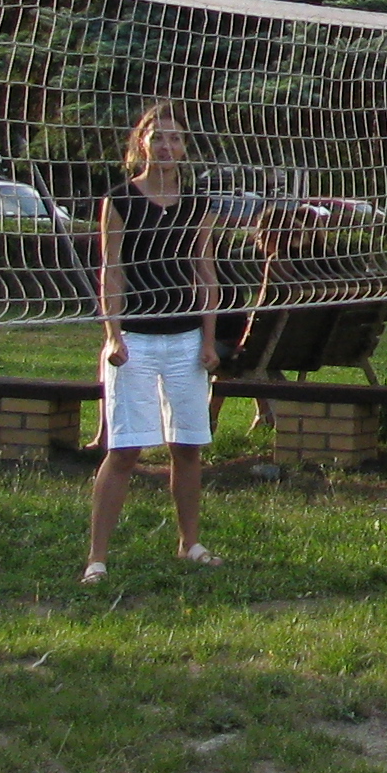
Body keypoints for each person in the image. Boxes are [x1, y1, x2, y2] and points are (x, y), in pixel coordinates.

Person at [85, 101, 221, 584]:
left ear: (185, 148)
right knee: (124, 450)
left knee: (187, 446)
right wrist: (112, 335)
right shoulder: (120, 199)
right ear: (141, 143)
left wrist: (209, 340)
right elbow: (112, 271)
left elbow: (205, 273)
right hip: (136, 340)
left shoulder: (199, 203)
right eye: (157, 137)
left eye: (175, 138)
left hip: (185, 339)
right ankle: (97, 558)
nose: (166, 146)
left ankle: (190, 543)